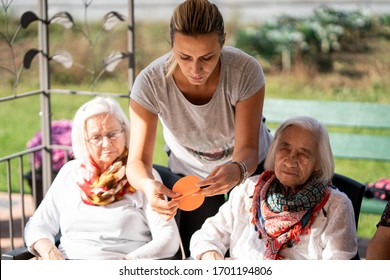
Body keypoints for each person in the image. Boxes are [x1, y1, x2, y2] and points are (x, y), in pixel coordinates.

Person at [126, 0, 272, 257]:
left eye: (207, 57)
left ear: (223, 42)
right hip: (190, 173)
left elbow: (248, 148)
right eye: (184, 57)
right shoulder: (150, 83)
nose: (196, 70)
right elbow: (137, 162)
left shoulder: (245, 72)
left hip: (250, 168)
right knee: (200, 251)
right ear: (171, 44)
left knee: (252, 250)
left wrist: (236, 171)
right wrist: (149, 186)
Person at [24, 97, 180, 260]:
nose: (106, 143)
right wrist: (48, 250)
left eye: (112, 134)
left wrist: (130, 262)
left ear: (125, 133)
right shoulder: (70, 173)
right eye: (96, 137)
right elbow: (37, 225)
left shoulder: (142, 176)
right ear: (83, 141)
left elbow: (168, 238)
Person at [190, 116, 358, 260]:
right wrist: (212, 259)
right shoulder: (248, 190)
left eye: (303, 154)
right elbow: (206, 237)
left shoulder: (336, 205)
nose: (290, 161)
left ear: (319, 163)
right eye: (284, 149)